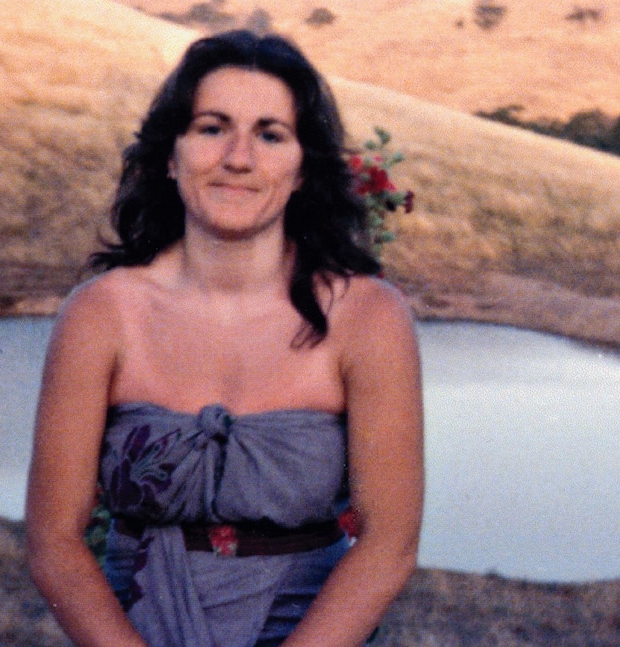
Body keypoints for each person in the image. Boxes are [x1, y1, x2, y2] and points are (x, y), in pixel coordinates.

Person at [25, 29, 424, 647]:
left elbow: (389, 543)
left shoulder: (369, 317)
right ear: (170, 152)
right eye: (212, 128)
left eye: (270, 135)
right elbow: (54, 541)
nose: (238, 158)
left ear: (300, 169)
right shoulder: (100, 314)